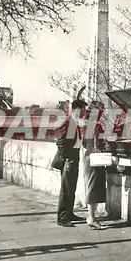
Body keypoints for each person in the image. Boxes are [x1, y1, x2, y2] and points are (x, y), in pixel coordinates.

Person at [52, 87, 87, 227]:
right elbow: (60, 140)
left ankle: (69, 213)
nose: (84, 113)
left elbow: (72, 139)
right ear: (78, 109)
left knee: (71, 186)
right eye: (83, 110)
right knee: (66, 188)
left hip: (74, 156)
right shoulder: (68, 121)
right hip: (69, 157)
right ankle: (62, 217)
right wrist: (66, 156)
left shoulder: (74, 121)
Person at [82, 100, 108, 230]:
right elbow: (98, 144)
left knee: (90, 186)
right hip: (96, 159)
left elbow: (83, 143)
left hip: (87, 157)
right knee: (94, 188)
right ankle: (92, 218)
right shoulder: (96, 125)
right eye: (101, 111)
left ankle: (91, 217)